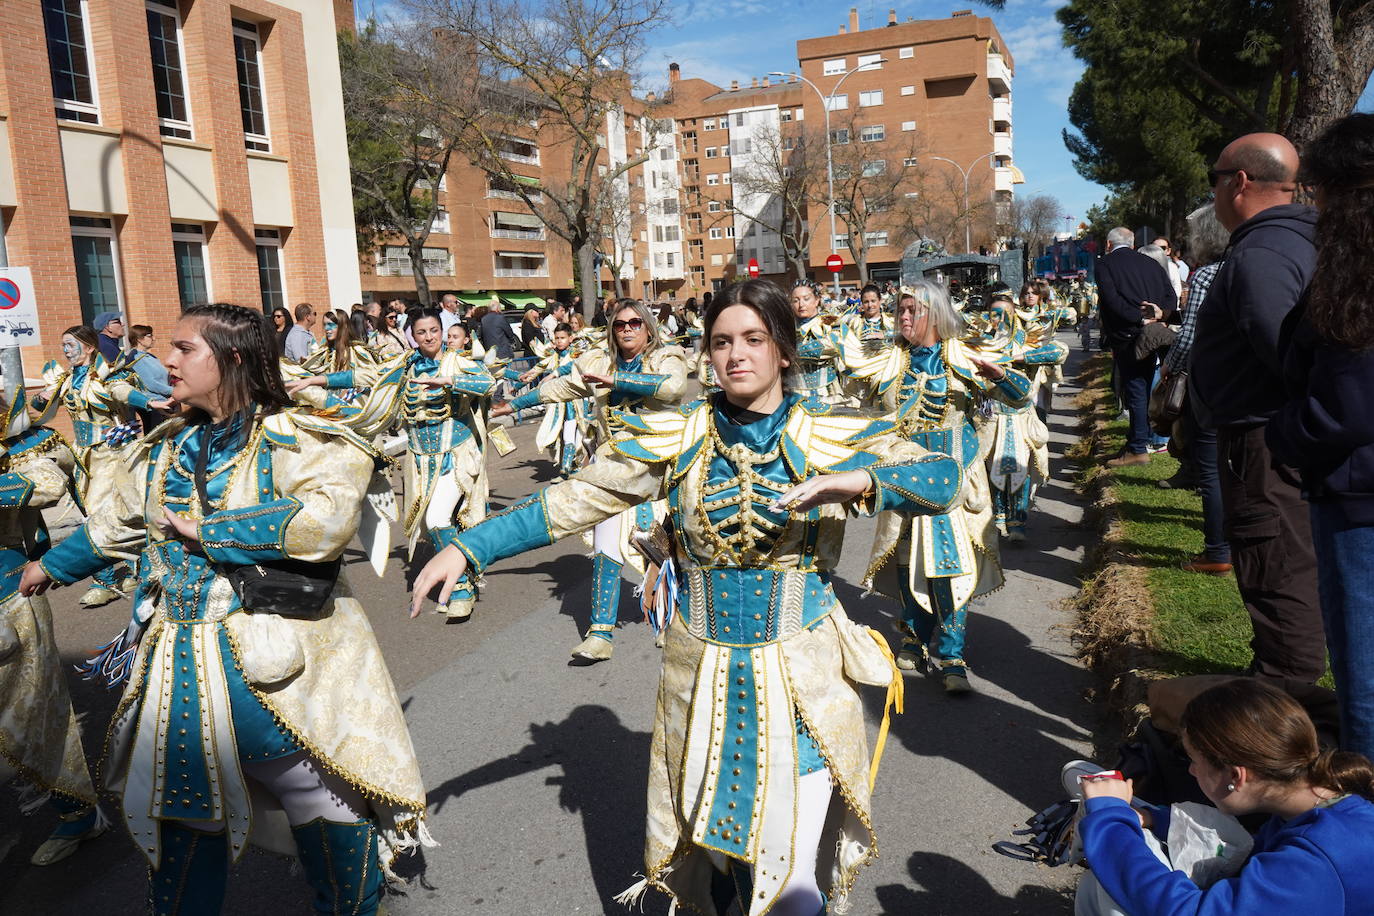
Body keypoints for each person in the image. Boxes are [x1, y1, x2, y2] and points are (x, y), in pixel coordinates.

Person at [411, 278, 963, 915]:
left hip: (803, 675)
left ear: (784, 349)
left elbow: (942, 477)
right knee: (716, 857)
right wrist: (469, 547)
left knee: (789, 881)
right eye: (722, 341)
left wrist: (861, 479)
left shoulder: (831, 434)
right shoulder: (680, 436)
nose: (737, 354)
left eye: (754, 338)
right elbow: (570, 501)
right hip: (700, 677)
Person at [19, 304, 429, 914]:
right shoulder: (167, 444)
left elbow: (327, 520)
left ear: (232, 358)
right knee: (182, 811)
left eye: (184, 349)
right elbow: (120, 521)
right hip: (177, 661)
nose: (167, 360)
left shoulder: (303, 436)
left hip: (278, 657)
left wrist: (209, 531)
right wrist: (48, 567)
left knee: (314, 795)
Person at [844, 281, 1033, 693]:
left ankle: (951, 655)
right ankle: (913, 638)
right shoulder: (890, 361)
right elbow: (864, 409)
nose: (903, 317)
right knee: (907, 560)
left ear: (935, 315)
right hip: (906, 476)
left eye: (912, 310)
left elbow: (1022, 398)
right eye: (900, 310)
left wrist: (1000, 376)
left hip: (955, 481)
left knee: (949, 565)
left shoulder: (963, 357)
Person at [1190, 132, 1324, 686]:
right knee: (1282, 561)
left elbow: (1290, 358)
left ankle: (1281, 691)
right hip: (1273, 437)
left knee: (1274, 567)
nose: (1214, 193)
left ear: (1238, 182)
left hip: (1266, 444)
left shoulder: (1261, 254)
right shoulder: (1296, 239)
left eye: (1214, 179)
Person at [490, 299, 687, 663]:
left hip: (659, 467)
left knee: (660, 545)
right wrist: (513, 405)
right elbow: (561, 387)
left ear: (647, 327)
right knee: (605, 543)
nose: (626, 329)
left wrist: (618, 381)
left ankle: (668, 620)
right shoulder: (601, 363)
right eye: (619, 325)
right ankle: (600, 632)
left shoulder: (666, 357)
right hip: (612, 467)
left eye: (635, 323)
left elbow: (673, 388)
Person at [1077, 678, 1374, 915]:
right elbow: (1249, 851)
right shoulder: (1324, 807)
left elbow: (1186, 910)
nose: (1191, 770)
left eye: (1194, 760)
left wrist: (1109, 819)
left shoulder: (1314, 862)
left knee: (1108, 896)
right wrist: (1160, 821)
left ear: (1235, 776)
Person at [1268, 113, 1374, 760]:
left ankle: (1364, 796)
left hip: (1359, 502)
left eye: (1318, 193)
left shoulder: (1358, 275)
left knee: (1364, 673)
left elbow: (1348, 407)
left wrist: (1282, 431)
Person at [299, 307, 498, 619]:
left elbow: (488, 383)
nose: (429, 337)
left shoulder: (457, 361)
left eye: (434, 330)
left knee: (437, 518)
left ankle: (461, 588)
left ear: (441, 331)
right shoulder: (405, 364)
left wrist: (449, 380)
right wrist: (318, 380)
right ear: (413, 336)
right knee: (430, 525)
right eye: (422, 332)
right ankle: (464, 565)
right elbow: (365, 376)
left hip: (454, 455)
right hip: (419, 460)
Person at [0, 388, 105, 866]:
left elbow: (48, 481)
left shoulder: (15, 442)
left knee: (35, 715)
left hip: (9, 604)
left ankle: (77, 814)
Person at [29, 326, 145, 608]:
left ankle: (107, 581)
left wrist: (151, 402)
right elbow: (39, 405)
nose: (66, 351)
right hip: (82, 455)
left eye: (71, 345)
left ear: (90, 347)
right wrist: (43, 395)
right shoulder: (67, 378)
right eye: (64, 345)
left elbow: (124, 393)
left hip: (111, 453)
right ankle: (130, 569)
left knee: (99, 512)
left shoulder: (109, 374)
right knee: (93, 510)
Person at [1161, 203, 1232, 574]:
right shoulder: (1246, 266)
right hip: (1248, 383)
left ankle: (1218, 550)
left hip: (1211, 382)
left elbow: (1190, 335)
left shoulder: (1206, 275)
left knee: (1211, 468)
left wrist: (1170, 366)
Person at [1095, 228, 1178, 467]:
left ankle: (1138, 447)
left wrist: (1139, 319)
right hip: (1152, 333)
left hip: (1127, 335)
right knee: (1142, 386)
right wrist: (1159, 317)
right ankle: (1134, 441)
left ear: (1108, 244)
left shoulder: (1105, 264)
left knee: (1135, 389)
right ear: (1132, 245)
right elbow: (1170, 296)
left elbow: (1111, 300)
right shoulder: (1150, 263)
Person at [283, 308, 383, 413]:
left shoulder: (357, 350)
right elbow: (315, 370)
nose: (327, 329)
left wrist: (347, 393)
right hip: (327, 401)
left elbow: (369, 378)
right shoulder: (325, 351)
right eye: (325, 325)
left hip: (353, 405)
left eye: (331, 325)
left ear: (342, 326)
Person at [789, 281, 846, 401]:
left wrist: (792, 352)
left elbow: (835, 345)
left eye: (806, 299)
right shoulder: (785, 327)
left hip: (828, 392)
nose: (801, 304)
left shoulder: (829, 321)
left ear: (816, 300)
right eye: (795, 300)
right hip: (795, 392)